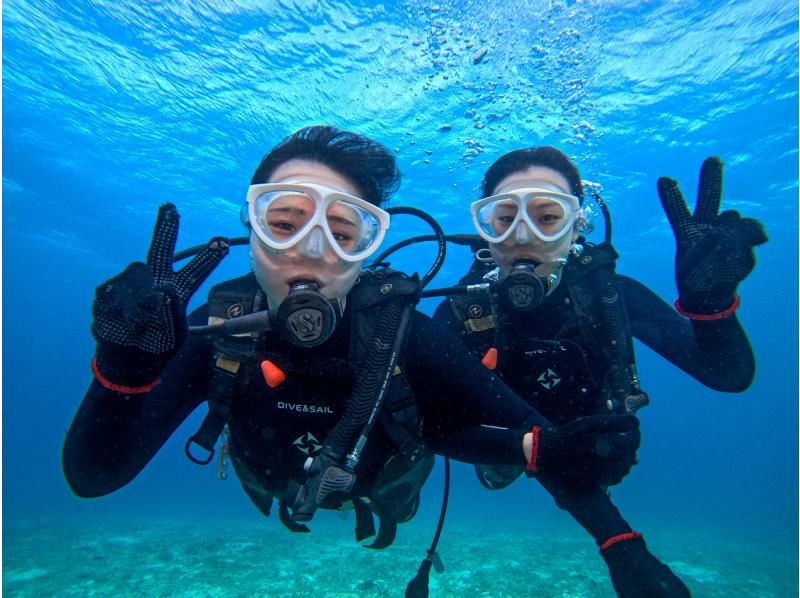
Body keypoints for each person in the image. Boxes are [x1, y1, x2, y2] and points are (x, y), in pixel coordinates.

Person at [63, 127, 639, 559]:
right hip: (271, 482)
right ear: (251, 229)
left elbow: (545, 441)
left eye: (342, 232)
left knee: (399, 498)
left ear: (367, 248)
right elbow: (94, 477)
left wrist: (623, 547)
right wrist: (123, 373)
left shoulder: (403, 331)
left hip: (386, 486)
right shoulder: (221, 331)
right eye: (284, 223)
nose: (312, 250)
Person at [432, 146, 766, 597]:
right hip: (502, 440)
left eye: (548, 217)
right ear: (486, 229)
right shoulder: (462, 310)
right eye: (505, 218)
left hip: (587, 442)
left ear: (577, 227)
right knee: (490, 476)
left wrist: (711, 309)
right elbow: (430, 425)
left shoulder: (608, 295)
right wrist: (525, 452)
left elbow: (726, 373)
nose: (523, 235)